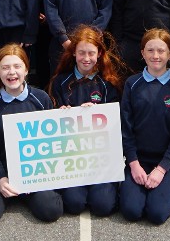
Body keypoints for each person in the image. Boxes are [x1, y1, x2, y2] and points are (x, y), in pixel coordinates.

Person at [0, 44, 63, 227]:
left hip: (34, 173)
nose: (11, 72)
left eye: (17, 66)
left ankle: (25, 194)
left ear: (26, 70)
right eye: (5, 68)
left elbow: (50, 141)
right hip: (0, 172)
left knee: (52, 210)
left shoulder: (41, 98)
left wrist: (34, 179)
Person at [47, 25, 124, 216]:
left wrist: (100, 114)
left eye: (91, 53)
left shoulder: (108, 83)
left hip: (101, 157)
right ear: (73, 53)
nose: (86, 58)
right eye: (81, 53)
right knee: (74, 204)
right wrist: (60, 114)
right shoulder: (60, 82)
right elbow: (50, 122)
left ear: (99, 54)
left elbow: (117, 121)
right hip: (72, 157)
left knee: (102, 206)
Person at [118, 28, 170, 225]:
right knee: (132, 211)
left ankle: (160, 185)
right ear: (142, 53)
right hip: (137, 161)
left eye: (161, 51)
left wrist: (162, 169)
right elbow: (126, 128)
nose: (155, 56)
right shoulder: (132, 85)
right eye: (150, 50)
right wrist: (133, 163)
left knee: (157, 215)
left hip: (164, 162)